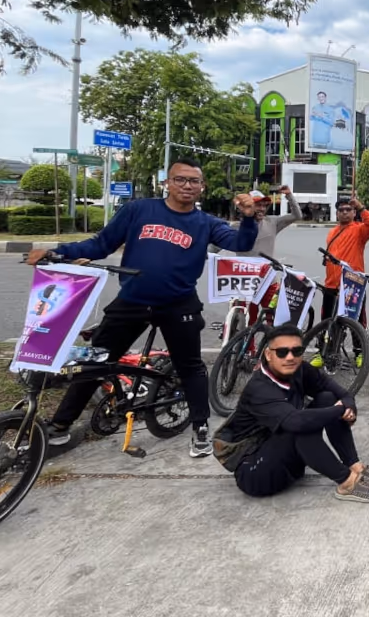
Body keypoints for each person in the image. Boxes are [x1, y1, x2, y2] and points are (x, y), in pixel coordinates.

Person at [26, 158, 259, 458]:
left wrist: (250, 218)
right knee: (97, 361)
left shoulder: (206, 223)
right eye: (180, 179)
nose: (187, 186)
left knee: (190, 367)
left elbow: (240, 242)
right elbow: (101, 245)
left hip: (179, 304)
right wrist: (58, 251)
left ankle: (200, 426)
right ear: (167, 183)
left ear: (202, 187)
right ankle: (60, 426)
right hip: (133, 299)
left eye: (194, 181)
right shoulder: (139, 210)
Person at [216, 324, 369, 502]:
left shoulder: (299, 369)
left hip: (288, 463)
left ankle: (355, 466)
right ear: (268, 355)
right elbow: (296, 423)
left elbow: (341, 394)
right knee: (298, 426)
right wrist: (340, 410)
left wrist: (348, 406)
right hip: (257, 474)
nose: (290, 357)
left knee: (326, 397)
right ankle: (347, 482)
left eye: (297, 350)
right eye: (282, 352)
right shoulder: (259, 388)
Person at [320, 195, 369, 321]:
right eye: (341, 210)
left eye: (348, 209)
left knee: (356, 323)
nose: (344, 212)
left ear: (354, 212)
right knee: (326, 321)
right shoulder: (332, 232)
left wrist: (361, 207)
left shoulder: (359, 230)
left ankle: (360, 341)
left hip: (352, 283)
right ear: (337, 213)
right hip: (331, 284)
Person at [240, 186, 300, 259]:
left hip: (266, 269)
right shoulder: (237, 227)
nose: (262, 209)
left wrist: (289, 195)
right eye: (258, 205)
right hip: (244, 269)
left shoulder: (272, 222)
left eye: (264, 206)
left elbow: (296, 216)